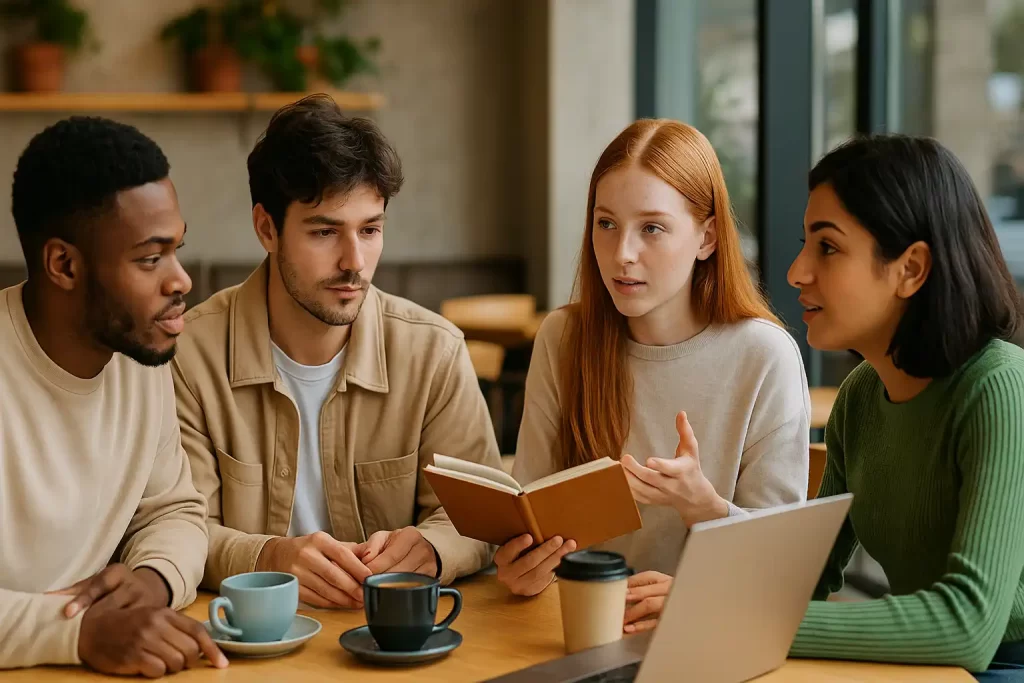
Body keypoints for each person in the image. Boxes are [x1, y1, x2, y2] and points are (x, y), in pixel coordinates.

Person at [172, 94, 504, 609]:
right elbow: (179, 527)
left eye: (370, 230)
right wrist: (267, 557)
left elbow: (483, 520)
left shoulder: (433, 353)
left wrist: (433, 548)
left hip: (393, 635)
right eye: (325, 232)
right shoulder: (190, 358)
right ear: (267, 229)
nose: (355, 262)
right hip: (247, 637)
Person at [496, 118, 810, 609]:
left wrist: (701, 505)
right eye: (606, 224)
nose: (622, 254)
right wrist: (523, 563)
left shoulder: (764, 356)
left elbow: (780, 565)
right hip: (576, 622)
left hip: (703, 627)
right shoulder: (563, 339)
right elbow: (532, 509)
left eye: (652, 228)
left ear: (707, 238)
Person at [785, 135, 1024, 679]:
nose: (797, 271)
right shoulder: (860, 396)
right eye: (805, 243)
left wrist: (747, 621)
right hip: (929, 668)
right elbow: (807, 578)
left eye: (827, 247)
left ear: (911, 268)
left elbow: (969, 626)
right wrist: (693, 599)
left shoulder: (1000, 388)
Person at [0, 117, 227, 675]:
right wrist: (77, 633)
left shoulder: (137, 354)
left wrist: (150, 583)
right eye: (150, 258)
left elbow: (174, 510)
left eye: (176, 250)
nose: (181, 281)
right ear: (64, 265)